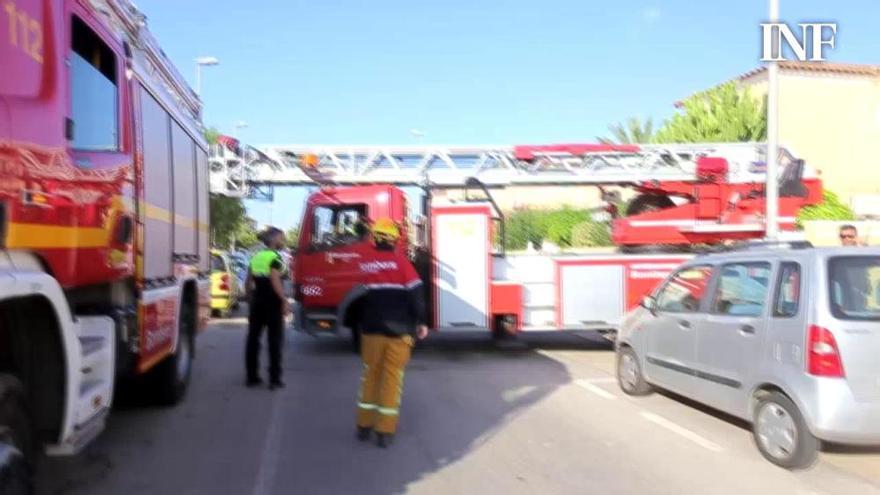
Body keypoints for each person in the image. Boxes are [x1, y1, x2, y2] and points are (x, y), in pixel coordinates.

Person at [355, 218, 429, 448]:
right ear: (394, 240)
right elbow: (416, 295)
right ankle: (384, 432)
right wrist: (422, 322)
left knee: (370, 376)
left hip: (371, 330)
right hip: (399, 331)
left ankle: (364, 426)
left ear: (375, 238)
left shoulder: (366, 264)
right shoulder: (402, 263)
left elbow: (366, 293)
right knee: (392, 379)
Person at [244, 227, 291, 389]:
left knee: (253, 339)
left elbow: (248, 282)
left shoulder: (255, 257)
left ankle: (252, 377)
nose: (283, 241)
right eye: (281, 238)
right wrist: (284, 300)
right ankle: (274, 379)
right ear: (274, 239)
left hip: (257, 301)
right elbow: (275, 280)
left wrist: (250, 298)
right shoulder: (275, 258)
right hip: (272, 302)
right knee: (275, 340)